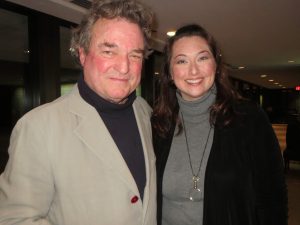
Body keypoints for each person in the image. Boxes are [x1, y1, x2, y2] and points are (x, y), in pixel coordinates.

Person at [0, 0, 156, 224]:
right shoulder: (39, 127)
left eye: (135, 55)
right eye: (109, 51)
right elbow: (14, 219)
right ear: (83, 54)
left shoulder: (145, 112)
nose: (124, 67)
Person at [151, 24, 287, 225]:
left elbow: (272, 196)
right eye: (181, 61)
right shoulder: (159, 124)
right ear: (170, 73)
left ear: (216, 65)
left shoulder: (248, 118)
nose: (193, 70)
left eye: (203, 58)